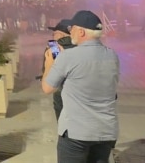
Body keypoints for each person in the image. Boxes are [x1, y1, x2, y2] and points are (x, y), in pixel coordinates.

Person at [42, 10, 119, 163]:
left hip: (76, 134)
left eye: (72, 30)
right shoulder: (112, 55)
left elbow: (47, 88)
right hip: (105, 131)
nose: (70, 34)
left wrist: (50, 62)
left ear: (81, 31)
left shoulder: (67, 57)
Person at [42, 18, 76, 120]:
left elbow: (48, 84)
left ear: (61, 35)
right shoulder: (83, 47)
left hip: (61, 95)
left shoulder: (53, 49)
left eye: (54, 34)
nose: (53, 36)